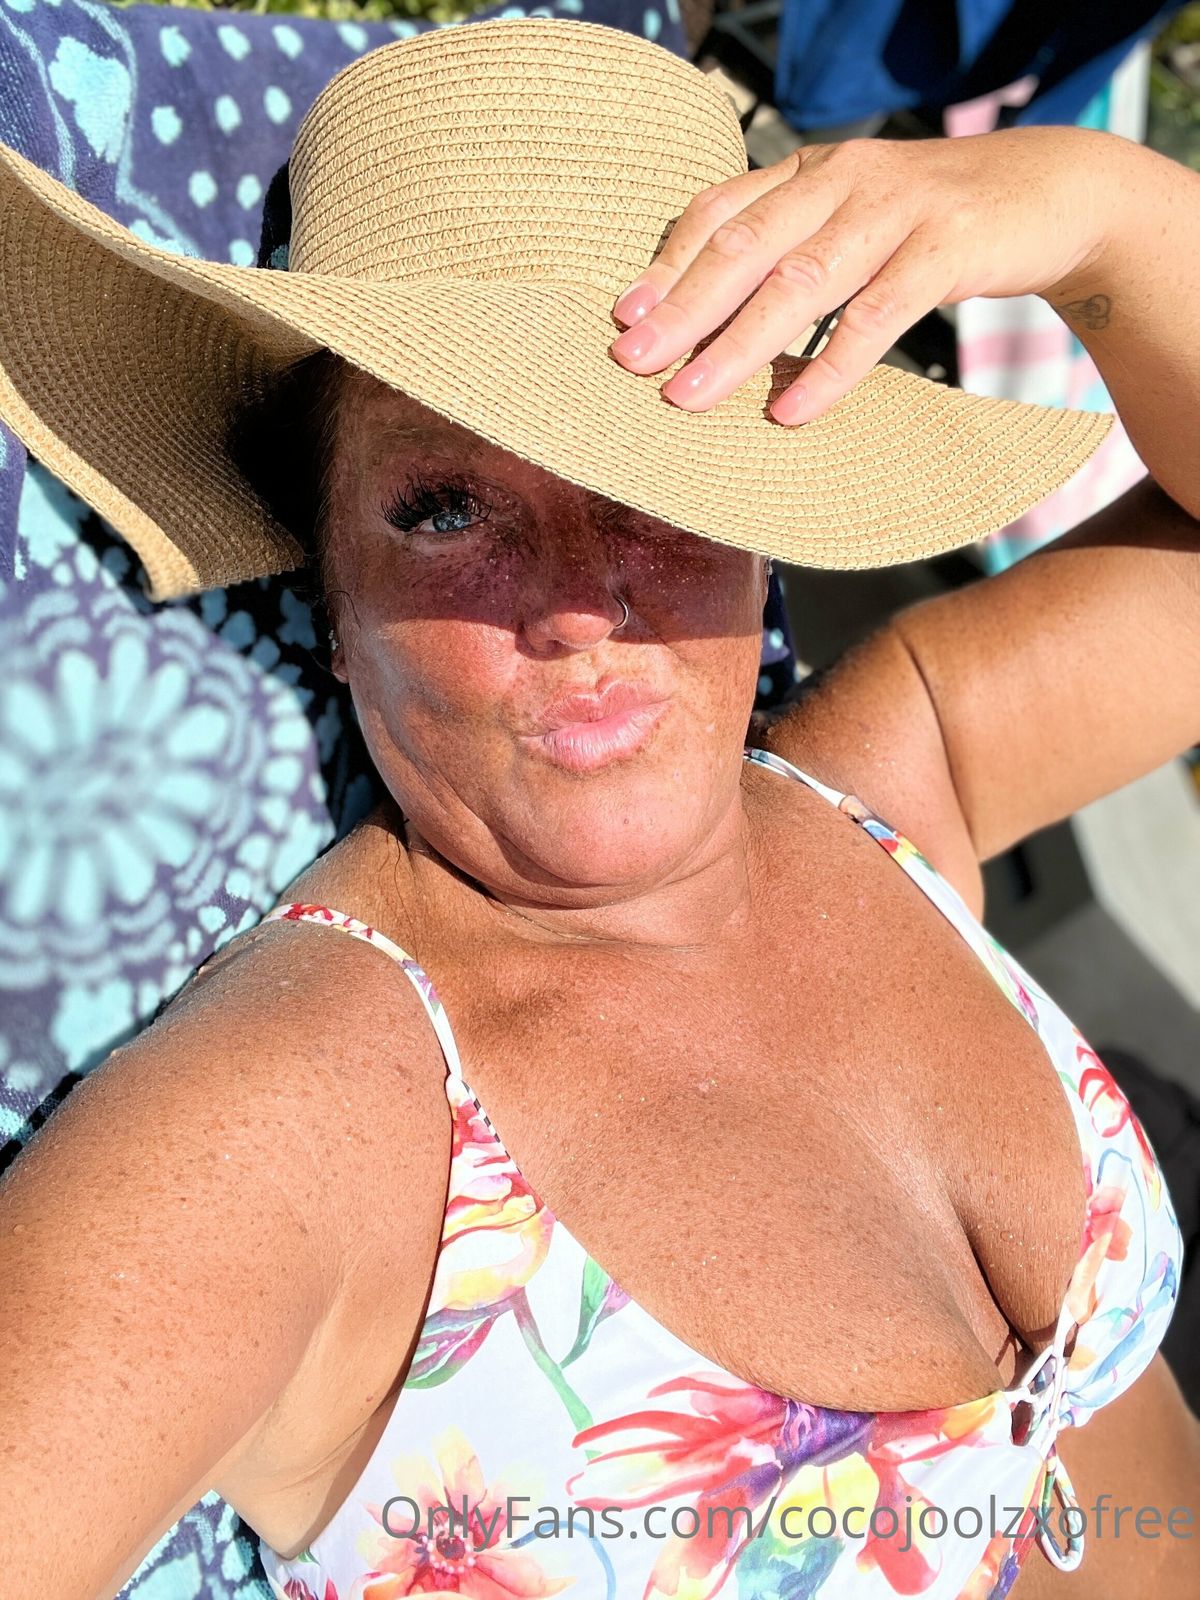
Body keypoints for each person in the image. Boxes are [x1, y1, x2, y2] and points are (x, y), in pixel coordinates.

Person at [0, 17, 1196, 1600]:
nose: (580, 606)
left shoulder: (895, 788)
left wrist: (1105, 209)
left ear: (764, 520)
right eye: (446, 507)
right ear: (330, 596)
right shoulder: (286, 1129)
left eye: (659, 477)